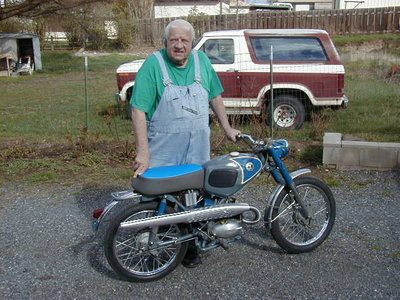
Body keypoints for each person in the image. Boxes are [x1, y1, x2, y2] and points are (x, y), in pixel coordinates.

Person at [130, 19, 240, 268]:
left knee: (196, 197)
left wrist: (227, 127)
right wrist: (143, 152)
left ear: (192, 43)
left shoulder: (202, 61)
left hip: (198, 145)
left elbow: (215, 96)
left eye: (184, 41)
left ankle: (190, 247)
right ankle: (152, 247)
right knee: (159, 198)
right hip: (164, 146)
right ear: (166, 42)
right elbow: (138, 111)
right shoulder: (153, 65)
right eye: (174, 40)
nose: (179, 45)